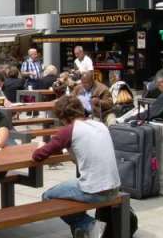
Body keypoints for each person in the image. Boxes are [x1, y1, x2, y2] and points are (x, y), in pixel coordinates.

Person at [32, 95, 120, 238]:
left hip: (95, 190)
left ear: (63, 118)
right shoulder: (100, 125)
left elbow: (38, 156)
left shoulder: (69, 131)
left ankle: (91, 227)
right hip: (115, 187)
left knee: (47, 196)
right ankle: (83, 230)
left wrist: (42, 146)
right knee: (71, 190)